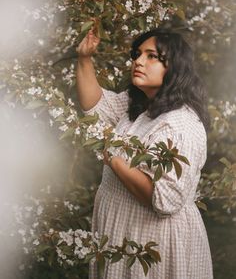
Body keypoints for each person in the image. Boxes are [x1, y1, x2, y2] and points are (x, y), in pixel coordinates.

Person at [76, 28, 213, 279]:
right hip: (121, 226)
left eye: (152, 56)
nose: (138, 61)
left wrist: (114, 160)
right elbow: (95, 107)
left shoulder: (180, 124)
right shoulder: (140, 105)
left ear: (175, 67)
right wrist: (84, 58)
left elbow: (164, 200)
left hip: (152, 240)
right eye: (138, 54)